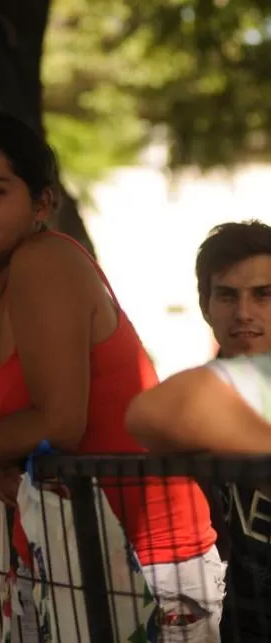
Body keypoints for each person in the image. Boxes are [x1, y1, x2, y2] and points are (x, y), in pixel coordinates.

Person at [0, 111, 219, 641]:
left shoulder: (46, 260)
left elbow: (59, 423)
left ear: (42, 204)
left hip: (152, 553)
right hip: (51, 547)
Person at [127, 220, 271, 641]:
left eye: (264, 294)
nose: (243, 313)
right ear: (206, 305)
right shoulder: (213, 388)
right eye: (227, 295)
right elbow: (147, 415)